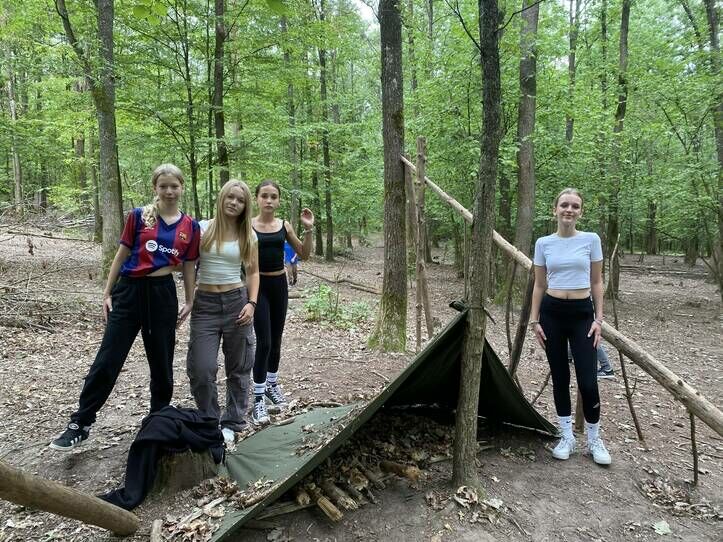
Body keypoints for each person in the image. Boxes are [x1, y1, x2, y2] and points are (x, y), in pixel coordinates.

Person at [50, 164, 200, 451]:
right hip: (129, 292)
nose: (169, 191)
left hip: (162, 295)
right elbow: (120, 256)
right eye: (163, 186)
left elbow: (190, 265)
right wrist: (107, 292)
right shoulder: (138, 216)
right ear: (155, 188)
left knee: (162, 363)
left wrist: (190, 299)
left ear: (182, 187)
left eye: (174, 186)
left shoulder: (189, 227)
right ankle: (81, 422)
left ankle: (157, 422)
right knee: (108, 359)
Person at [529, 188, 611, 465]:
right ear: (555, 209)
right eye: (564, 204)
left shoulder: (591, 239)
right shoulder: (543, 243)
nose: (569, 210)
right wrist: (534, 320)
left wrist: (598, 319)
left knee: (588, 381)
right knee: (560, 377)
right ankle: (566, 436)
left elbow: (597, 282)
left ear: (580, 212)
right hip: (552, 314)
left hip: (582, 314)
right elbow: (539, 284)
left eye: (575, 206)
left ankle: (594, 440)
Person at [186, 179, 259, 445]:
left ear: (245, 206)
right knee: (202, 368)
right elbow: (188, 264)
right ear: (222, 198)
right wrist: (189, 299)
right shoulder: (202, 228)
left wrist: (252, 303)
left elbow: (253, 272)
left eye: (240, 200)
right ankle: (209, 420)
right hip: (205, 305)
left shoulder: (248, 235)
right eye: (230, 197)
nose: (234, 203)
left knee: (239, 367)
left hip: (236, 302)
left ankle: (233, 422)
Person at [251, 180, 314, 425]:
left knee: (276, 340)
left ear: (278, 201)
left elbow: (304, 254)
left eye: (273, 196)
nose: (269, 200)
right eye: (264, 195)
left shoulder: (284, 225)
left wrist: (308, 229)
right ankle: (258, 399)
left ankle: (272, 384)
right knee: (264, 341)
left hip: (279, 286)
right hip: (258, 286)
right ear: (257, 198)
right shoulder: (248, 225)